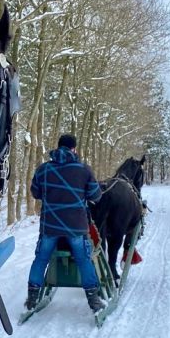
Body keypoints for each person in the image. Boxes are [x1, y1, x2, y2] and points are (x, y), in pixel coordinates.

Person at [26, 133, 105, 312]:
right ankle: (94, 302)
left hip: (50, 227)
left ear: (58, 147)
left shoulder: (43, 169)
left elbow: (36, 193)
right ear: (74, 149)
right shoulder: (84, 170)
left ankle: (31, 300)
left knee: (41, 259)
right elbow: (96, 196)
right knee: (84, 260)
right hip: (76, 227)